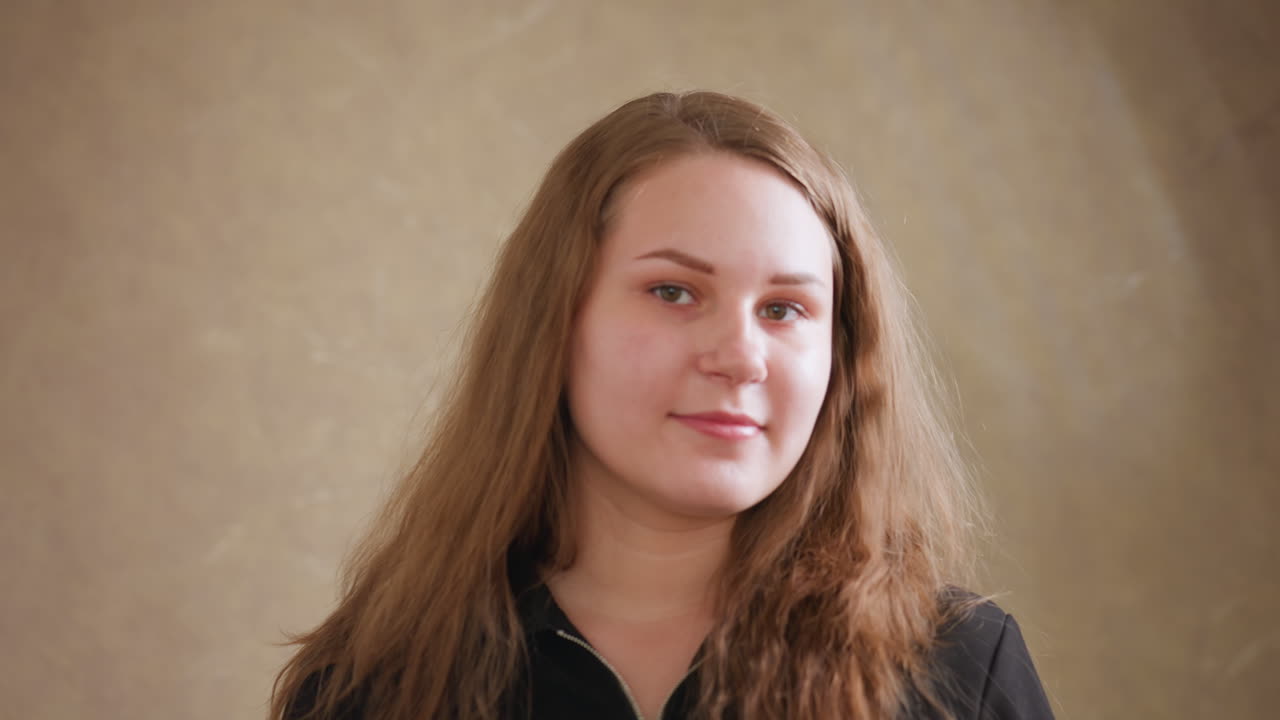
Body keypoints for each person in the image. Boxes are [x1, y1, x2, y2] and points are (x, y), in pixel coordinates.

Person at [269, 90, 1054, 719]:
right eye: (673, 292)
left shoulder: (956, 668)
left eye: (784, 309)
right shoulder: (372, 686)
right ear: (555, 321)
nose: (741, 357)